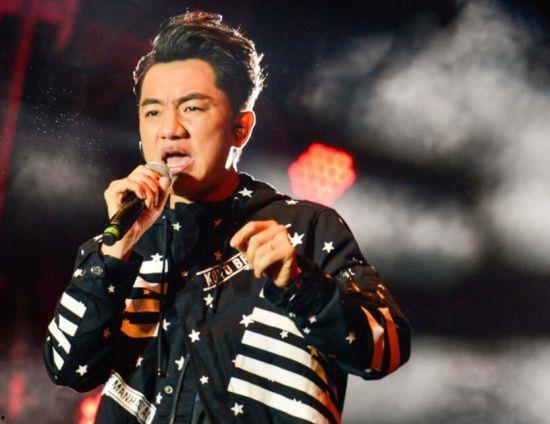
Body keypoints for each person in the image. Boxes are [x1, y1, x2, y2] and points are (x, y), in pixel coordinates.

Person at [43, 11, 410, 424]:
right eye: (152, 112)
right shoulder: (119, 245)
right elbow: (66, 368)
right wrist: (113, 257)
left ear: (241, 128)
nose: (169, 129)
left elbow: (386, 349)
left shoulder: (305, 228)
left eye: (192, 108)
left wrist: (300, 283)